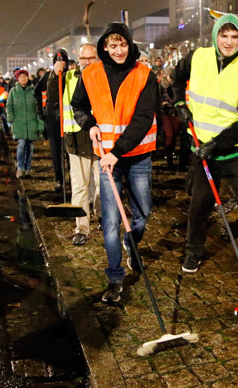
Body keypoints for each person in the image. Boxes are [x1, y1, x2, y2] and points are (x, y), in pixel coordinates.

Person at [171, 14, 238, 292]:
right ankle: (193, 250)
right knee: (199, 206)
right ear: (215, 35)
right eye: (224, 35)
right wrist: (177, 103)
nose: (229, 42)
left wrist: (217, 145)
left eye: (234, 37)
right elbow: (175, 77)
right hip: (201, 148)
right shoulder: (197, 57)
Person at [72, 22, 157, 303]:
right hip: (107, 159)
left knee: (142, 215)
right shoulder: (90, 74)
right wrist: (88, 124)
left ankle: (131, 246)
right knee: (110, 220)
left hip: (137, 156)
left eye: (123, 45)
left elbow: (143, 119)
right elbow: (79, 106)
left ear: (130, 45)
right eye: (113, 45)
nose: (119, 50)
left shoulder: (145, 74)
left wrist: (117, 151)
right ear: (104, 48)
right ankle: (115, 277)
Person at [63, 43, 101, 246]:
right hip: (76, 141)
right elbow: (51, 90)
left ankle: (103, 215)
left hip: (100, 140)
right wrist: (55, 73)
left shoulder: (103, 77)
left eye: (91, 58)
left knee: (102, 187)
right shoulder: (68, 78)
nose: (87, 62)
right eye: (83, 58)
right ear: (78, 59)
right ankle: (82, 228)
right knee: (80, 188)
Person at [36, 49, 69, 190]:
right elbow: (37, 91)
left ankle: (72, 178)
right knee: (55, 150)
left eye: (62, 60)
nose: (60, 63)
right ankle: (58, 179)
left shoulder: (70, 76)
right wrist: (41, 110)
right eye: (57, 60)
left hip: (67, 117)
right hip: (52, 117)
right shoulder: (48, 76)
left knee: (69, 150)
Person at [7, 69, 44, 178]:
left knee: (30, 148)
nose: (23, 78)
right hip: (19, 124)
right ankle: (20, 167)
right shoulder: (13, 91)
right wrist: (11, 118)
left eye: (25, 76)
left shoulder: (33, 91)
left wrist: (40, 123)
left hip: (32, 124)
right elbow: (9, 106)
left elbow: (38, 108)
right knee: (21, 146)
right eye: (21, 76)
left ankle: (27, 168)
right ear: (17, 79)